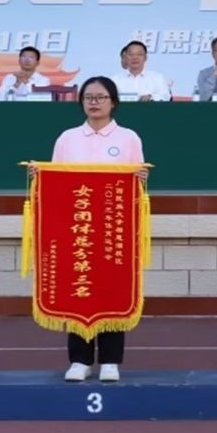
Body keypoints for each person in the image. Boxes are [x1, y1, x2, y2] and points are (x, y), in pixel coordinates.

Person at [45, 76, 146, 384]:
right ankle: (80, 359)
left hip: (114, 229)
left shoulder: (128, 138)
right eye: (88, 97)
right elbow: (57, 181)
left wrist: (140, 179)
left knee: (112, 290)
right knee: (79, 289)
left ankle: (110, 360)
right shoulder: (67, 138)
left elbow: (137, 184)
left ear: (113, 102)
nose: (94, 102)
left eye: (101, 97)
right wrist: (41, 176)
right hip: (78, 229)